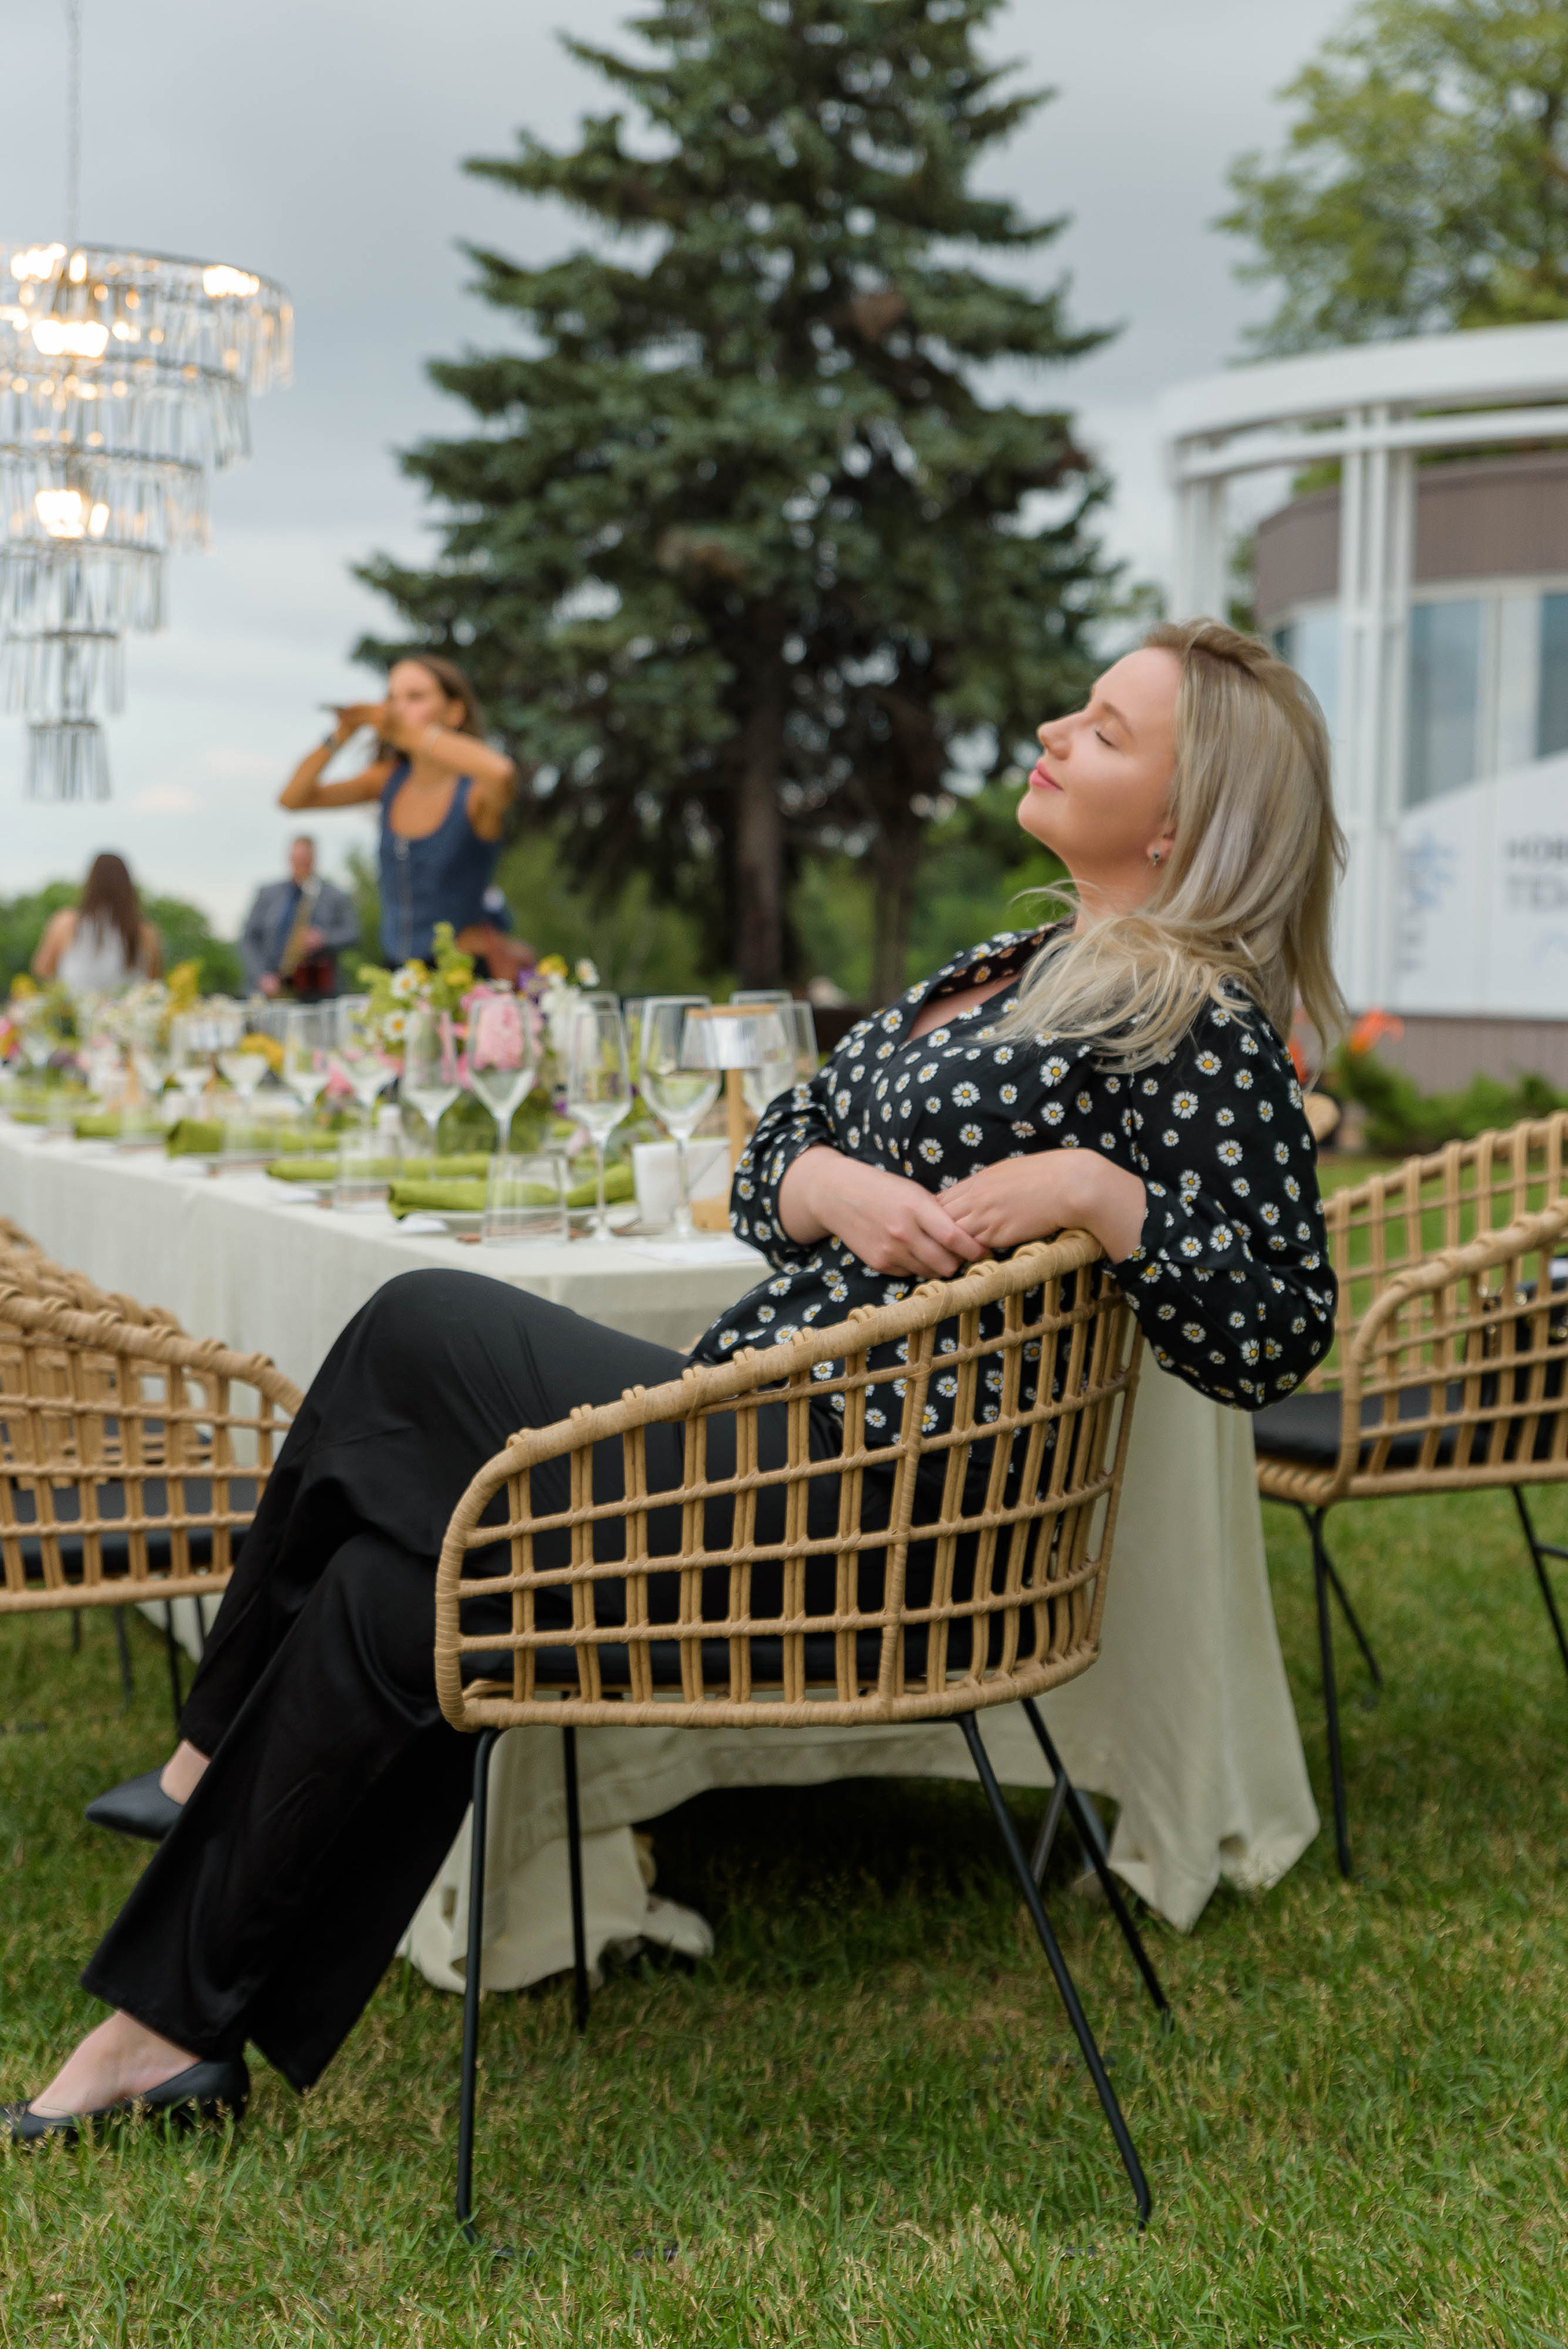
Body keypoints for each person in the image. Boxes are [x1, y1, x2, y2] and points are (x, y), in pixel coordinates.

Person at [6, 620, 1345, 2141]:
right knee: (394, 1588)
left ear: (1179, 820)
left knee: (412, 1329)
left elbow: (1273, 1326)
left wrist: (1101, 1194)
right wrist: (831, 1185)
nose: (1051, 730)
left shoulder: (1195, 1025)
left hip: (863, 1506)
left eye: (1102, 729)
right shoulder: (1005, 970)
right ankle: (161, 2039)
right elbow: (770, 1149)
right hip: (759, 1436)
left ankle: (202, 1754)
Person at [278, 655, 531, 980]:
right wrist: (342, 733)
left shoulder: (475, 791)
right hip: (399, 973)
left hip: (466, 974)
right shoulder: (388, 780)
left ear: (454, 712)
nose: (397, 709)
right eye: (392, 698)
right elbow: (293, 798)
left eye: (415, 697)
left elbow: (502, 772)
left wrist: (408, 733)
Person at [238, 836, 361, 1002]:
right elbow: (248, 938)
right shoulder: (267, 893)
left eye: (305, 861)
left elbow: (352, 933)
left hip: (317, 990)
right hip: (271, 987)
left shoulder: (335, 895)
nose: (300, 866)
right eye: (296, 860)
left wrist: (323, 938)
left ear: (314, 860)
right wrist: (261, 975)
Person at [31, 854, 161, 993]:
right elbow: (153, 983)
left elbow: (42, 970)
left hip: (74, 1006)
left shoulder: (65, 923)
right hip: (126, 1007)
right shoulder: (145, 932)